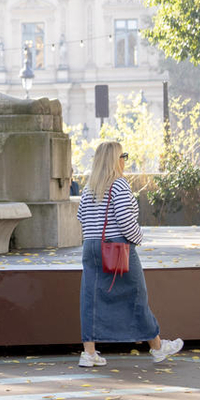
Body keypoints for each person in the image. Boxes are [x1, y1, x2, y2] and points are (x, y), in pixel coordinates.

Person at [76, 140, 182, 367]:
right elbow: (125, 220)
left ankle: (89, 353)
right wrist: (137, 238)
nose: (125, 160)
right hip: (117, 247)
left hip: (91, 246)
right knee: (136, 294)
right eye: (123, 156)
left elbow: (81, 217)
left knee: (90, 298)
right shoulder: (119, 185)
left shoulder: (89, 187)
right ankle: (157, 348)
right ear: (115, 160)